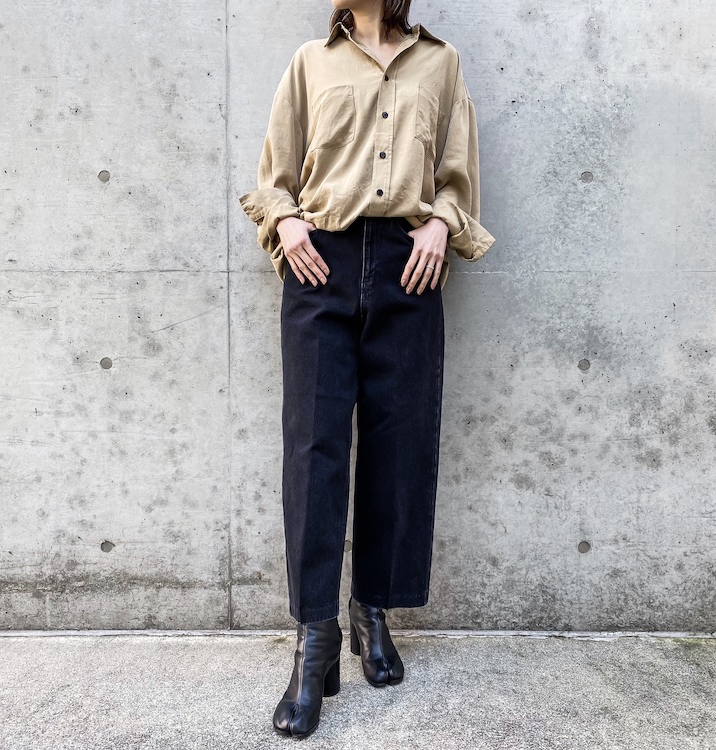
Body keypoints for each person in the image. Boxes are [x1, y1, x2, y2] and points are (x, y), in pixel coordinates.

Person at [238, 0, 495, 738]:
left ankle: (371, 610)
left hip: (409, 269)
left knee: (399, 446)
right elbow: (275, 175)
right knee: (314, 450)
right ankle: (313, 637)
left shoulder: (440, 63)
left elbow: (457, 174)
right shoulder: (310, 62)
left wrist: (441, 225)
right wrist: (287, 223)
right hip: (320, 262)